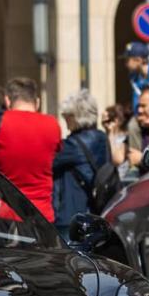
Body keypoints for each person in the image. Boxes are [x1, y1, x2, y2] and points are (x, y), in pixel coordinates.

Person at [0, 77, 62, 222]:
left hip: (4, 214)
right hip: (42, 215)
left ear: (8, 101)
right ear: (37, 101)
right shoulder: (53, 124)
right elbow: (56, 155)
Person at [53, 90, 108, 240]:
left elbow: (47, 161)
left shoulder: (73, 145)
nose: (64, 119)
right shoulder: (102, 137)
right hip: (95, 209)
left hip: (72, 212)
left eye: (67, 116)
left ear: (76, 116)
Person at [102, 104, 132, 180]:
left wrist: (111, 133)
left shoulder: (125, 138)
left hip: (122, 180)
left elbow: (117, 160)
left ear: (116, 121)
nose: (103, 125)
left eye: (106, 121)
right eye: (102, 122)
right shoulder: (103, 137)